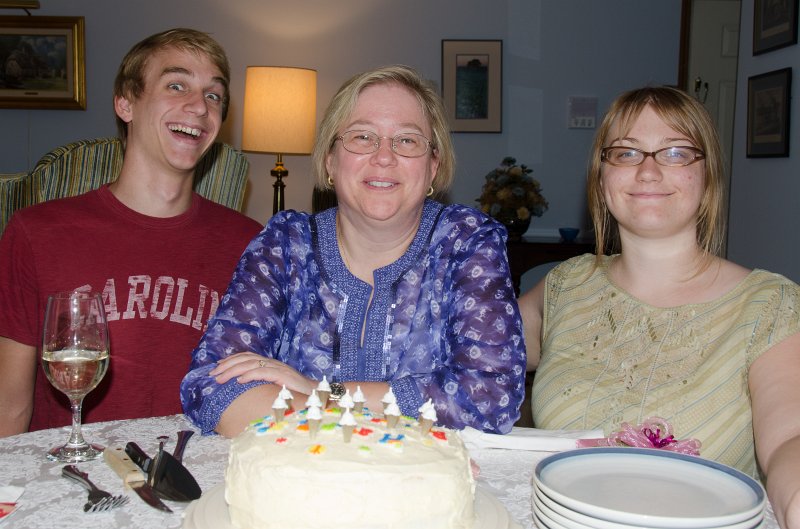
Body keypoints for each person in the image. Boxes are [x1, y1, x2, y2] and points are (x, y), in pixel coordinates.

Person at [181, 65, 526, 437]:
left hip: (417, 489)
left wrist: (322, 394)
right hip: (303, 482)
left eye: (407, 140)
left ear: (433, 167)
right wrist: (379, 418)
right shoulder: (285, 243)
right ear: (330, 160)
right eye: (362, 137)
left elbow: (490, 399)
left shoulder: (467, 241)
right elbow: (212, 387)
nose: (383, 156)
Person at [519, 86, 800, 528]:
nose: (648, 171)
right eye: (627, 154)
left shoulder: (769, 305)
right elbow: (470, 347)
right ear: (601, 176)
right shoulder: (567, 284)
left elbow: (790, 437)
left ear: (707, 176)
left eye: (674, 153)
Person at [0, 28, 263, 436]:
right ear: (125, 103)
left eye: (214, 96)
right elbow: (9, 406)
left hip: (200, 481)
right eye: (177, 85)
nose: (198, 107)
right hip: (73, 483)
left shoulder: (250, 243)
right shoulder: (37, 233)